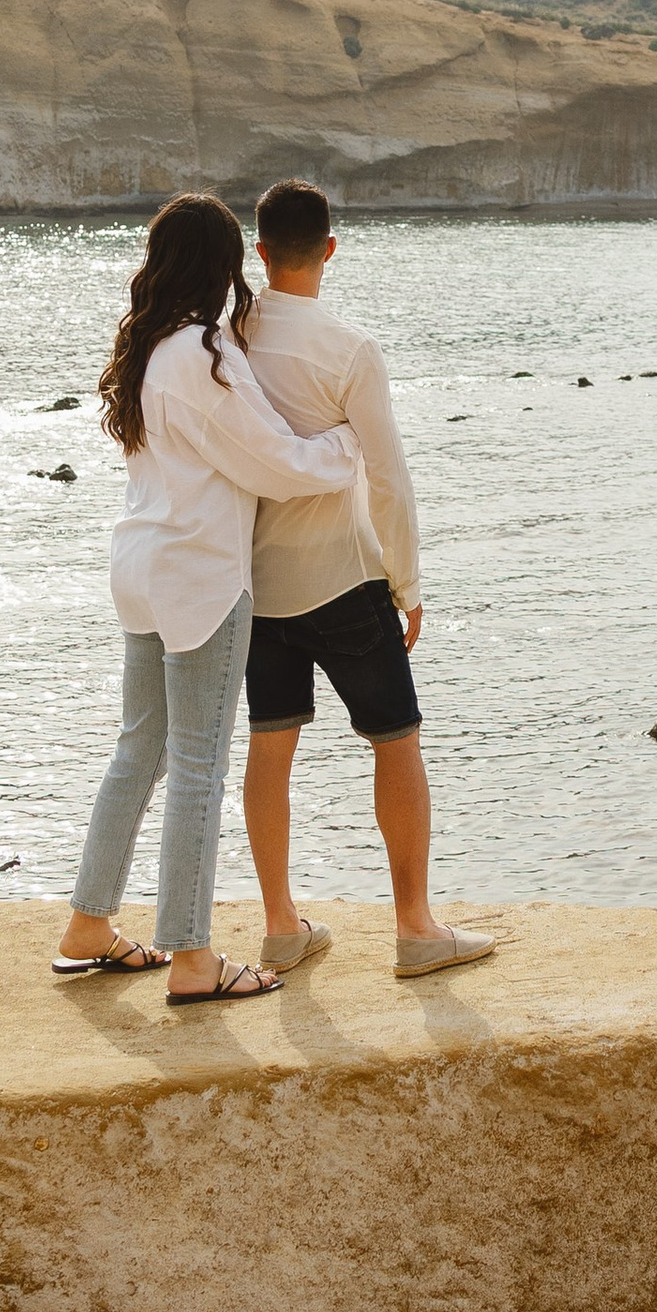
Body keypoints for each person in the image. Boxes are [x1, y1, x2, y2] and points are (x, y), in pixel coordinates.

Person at [56, 192, 363, 1007]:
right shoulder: (205, 352)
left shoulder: (150, 345)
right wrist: (348, 442)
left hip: (140, 565)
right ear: (226, 265)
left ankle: (89, 926)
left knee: (140, 752)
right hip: (198, 573)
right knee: (197, 765)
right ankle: (193, 959)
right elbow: (274, 463)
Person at [240, 178, 495, 980]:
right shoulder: (349, 349)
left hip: (257, 585)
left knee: (270, 745)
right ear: (330, 249)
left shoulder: (227, 336)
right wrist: (407, 583)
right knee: (397, 741)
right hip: (346, 578)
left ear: (259, 251)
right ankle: (416, 929)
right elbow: (387, 477)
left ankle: (281, 925)